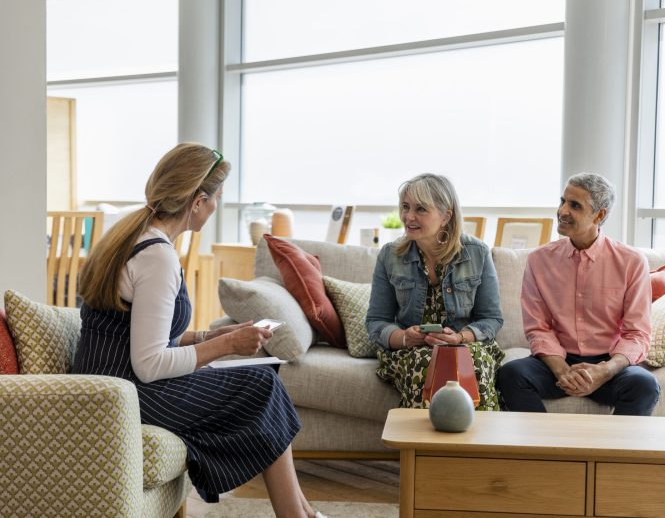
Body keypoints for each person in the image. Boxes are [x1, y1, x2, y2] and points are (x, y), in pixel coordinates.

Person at [73, 143, 325, 518]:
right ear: (197, 201)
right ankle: (296, 514)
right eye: (217, 198)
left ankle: (300, 512)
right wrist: (227, 345)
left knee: (262, 381)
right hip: (123, 396)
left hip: (113, 383)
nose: (216, 206)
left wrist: (208, 338)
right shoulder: (157, 257)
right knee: (262, 384)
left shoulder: (133, 237)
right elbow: (150, 364)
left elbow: (138, 335)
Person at [496, 172, 660, 416]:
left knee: (644, 385)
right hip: (556, 363)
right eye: (562, 201)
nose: (562, 211)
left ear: (600, 215)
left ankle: (613, 455)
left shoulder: (631, 261)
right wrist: (564, 371)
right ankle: (545, 451)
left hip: (609, 365)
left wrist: (604, 371)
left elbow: (637, 333)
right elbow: (538, 328)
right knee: (510, 375)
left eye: (574, 205)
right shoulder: (539, 260)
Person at [366, 173, 504, 409]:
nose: (408, 217)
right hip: (412, 349)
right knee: (426, 363)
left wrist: (460, 338)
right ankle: (423, 445)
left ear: (445, 216)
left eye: (421, 209)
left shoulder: (477, 252)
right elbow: (376, 321)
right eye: (405, 207)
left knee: (474, 363)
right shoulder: (390, 255)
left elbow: (491, 318)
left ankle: (480, 444)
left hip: (466, 344)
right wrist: (405, 338)